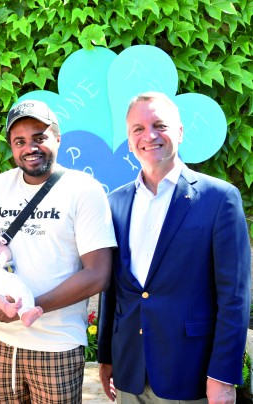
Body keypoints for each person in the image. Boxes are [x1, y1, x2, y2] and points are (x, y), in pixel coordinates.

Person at [0, 99, 117, 403]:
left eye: (39, 137)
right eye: (20, 141)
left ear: (57, 137)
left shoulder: (84, 190)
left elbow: (98, 275)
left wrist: (30, 308)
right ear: (11, 147)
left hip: (57, 346)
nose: (30, 147)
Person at [98, 92, 251, 403]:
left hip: (191, 373)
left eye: (159, 125)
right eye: (137, 129)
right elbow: (111, 290)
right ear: (129, 141)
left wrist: (222, 376)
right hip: (130, 372)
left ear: (179, 132)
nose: (149, 135)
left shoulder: (219, 198)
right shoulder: (114, 202)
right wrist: (106, 355)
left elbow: (235, 297)